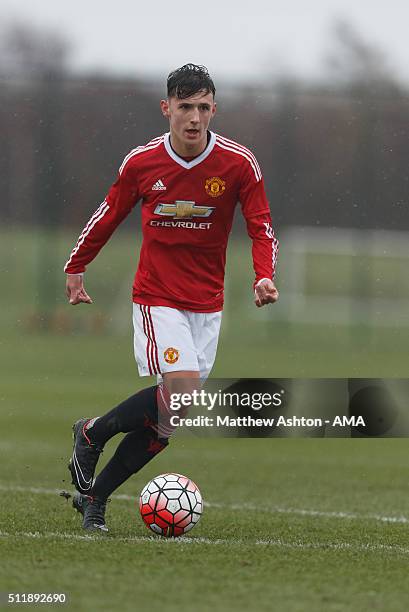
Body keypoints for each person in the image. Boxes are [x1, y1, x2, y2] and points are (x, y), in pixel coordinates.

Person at [64, 63, 279, 532]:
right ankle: (93, 433)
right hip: (157, 297)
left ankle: (95, 495)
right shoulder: (142, 162)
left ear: (214, 109)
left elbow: (260, 225)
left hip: (209, 304)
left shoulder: (239, 163)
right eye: (185, 107)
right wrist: (77, 265)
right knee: (183, 389)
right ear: (167, 108)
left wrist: (264, 275)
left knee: (170, 419)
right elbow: (107, 215)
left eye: (203, 107)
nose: (194, 118)